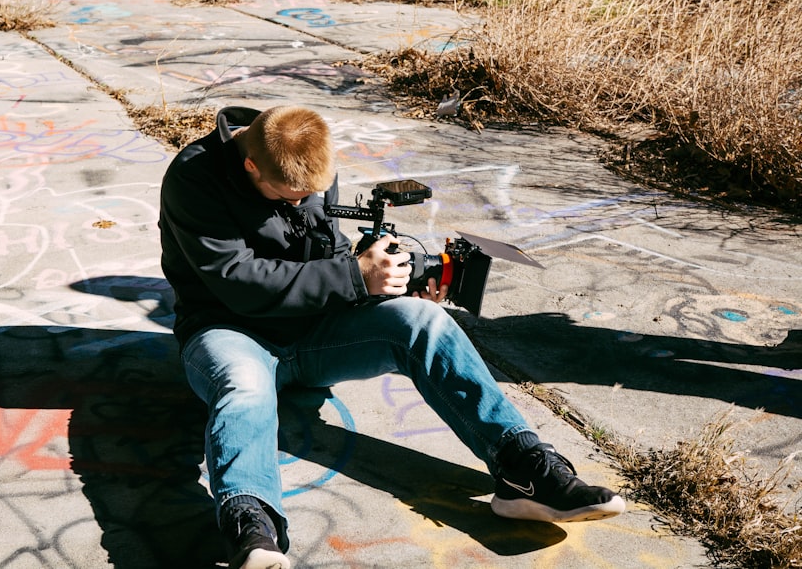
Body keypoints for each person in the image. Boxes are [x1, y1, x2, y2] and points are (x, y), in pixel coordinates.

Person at [159, 105, 625, 569]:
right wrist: (353, 278)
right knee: (245, 383)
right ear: (250, 166)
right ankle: (253, 526)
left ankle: (524, 473)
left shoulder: (307, 165)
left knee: (423, 320)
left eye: (313, 193)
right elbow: (236, 281)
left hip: (313, 333)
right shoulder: (193, 177)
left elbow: (327, 250)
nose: (303, 202)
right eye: (292, 195)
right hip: (227, 331)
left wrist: (389, 281)